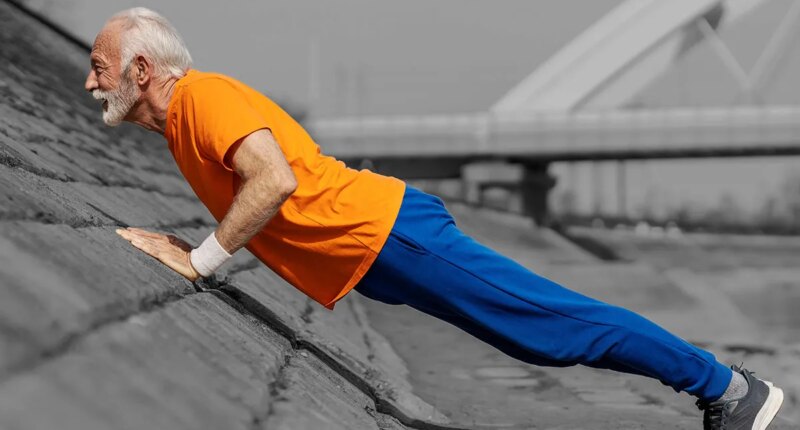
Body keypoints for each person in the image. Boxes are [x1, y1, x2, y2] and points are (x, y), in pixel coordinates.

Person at [87, 8, 783, 430]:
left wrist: (201, 260)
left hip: (392, 233)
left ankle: (733, 390)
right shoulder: (182, 120)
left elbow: (273, 180)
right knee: (542, 336)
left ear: (142, 69)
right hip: (379, 247)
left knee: (559, 325)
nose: (90, 82)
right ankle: (729, 388)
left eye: (99, 67)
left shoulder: (201, 97)